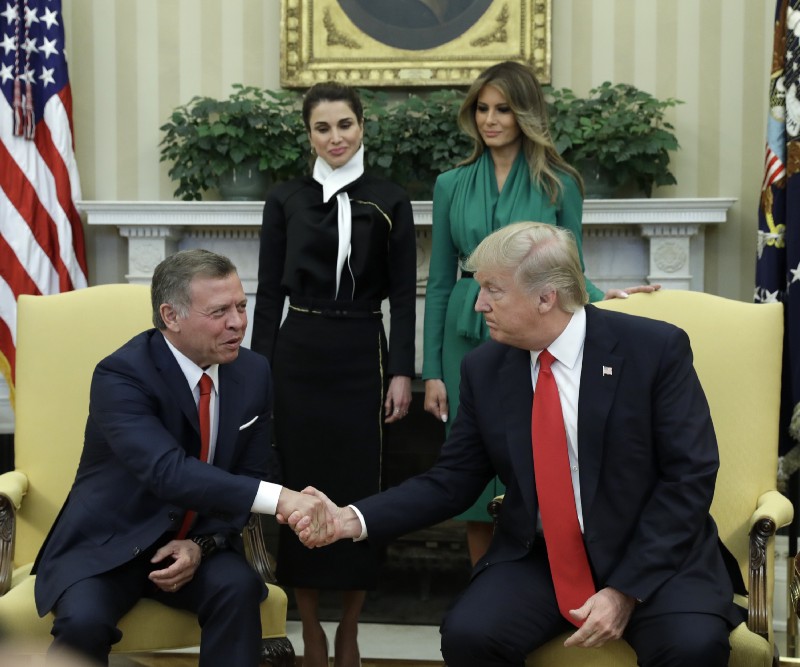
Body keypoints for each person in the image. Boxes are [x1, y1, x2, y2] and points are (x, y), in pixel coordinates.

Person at [297, 222, 745, 667]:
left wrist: (625, 590)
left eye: (493, 290)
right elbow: (450, 481)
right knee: (469, 634)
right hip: (544, 559)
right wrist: (351, 519)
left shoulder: (653, 349)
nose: (479, 304)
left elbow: (689, 475)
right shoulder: (485, 368)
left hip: (654, 557)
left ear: (546, 297)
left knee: (692, 647)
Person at [32, 249, 331, 667]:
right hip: (109, 545)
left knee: (238, 589)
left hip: (197, 543)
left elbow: (249, 472)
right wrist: (283, 499)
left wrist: (201, 544)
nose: (238, 323)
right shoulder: (121, 375)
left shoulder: (254, 372)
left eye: (242, 306)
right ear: (171, 316)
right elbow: (166, 472)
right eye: (220, 311)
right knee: (84, 622)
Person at [422, 60, 659, 565]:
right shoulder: (450, 184)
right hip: (466, 330)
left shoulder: (559, 183)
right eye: (482, 109)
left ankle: (542, 579)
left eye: (503, 109)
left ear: (524, 113)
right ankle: (484, 587)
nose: (490, 120)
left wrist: (607, 298)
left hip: (536, 329)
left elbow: (572, 268)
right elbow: (440, 281)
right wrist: (433, 372)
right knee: (476, 474)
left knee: (533, 456)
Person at [250, 81, 417, 667]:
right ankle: (311, 625)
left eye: (344, 125)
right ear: (309, 134)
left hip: (362, 353)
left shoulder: (390, 199)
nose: (335, 137)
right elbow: (268, 294)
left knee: (358, 487)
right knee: (299, 484)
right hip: (299, 352)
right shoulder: (285, 199)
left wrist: (402, 372)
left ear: (362, 126)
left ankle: (350, 624)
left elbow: (403, 294)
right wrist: (257, 372)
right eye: (322, 128)